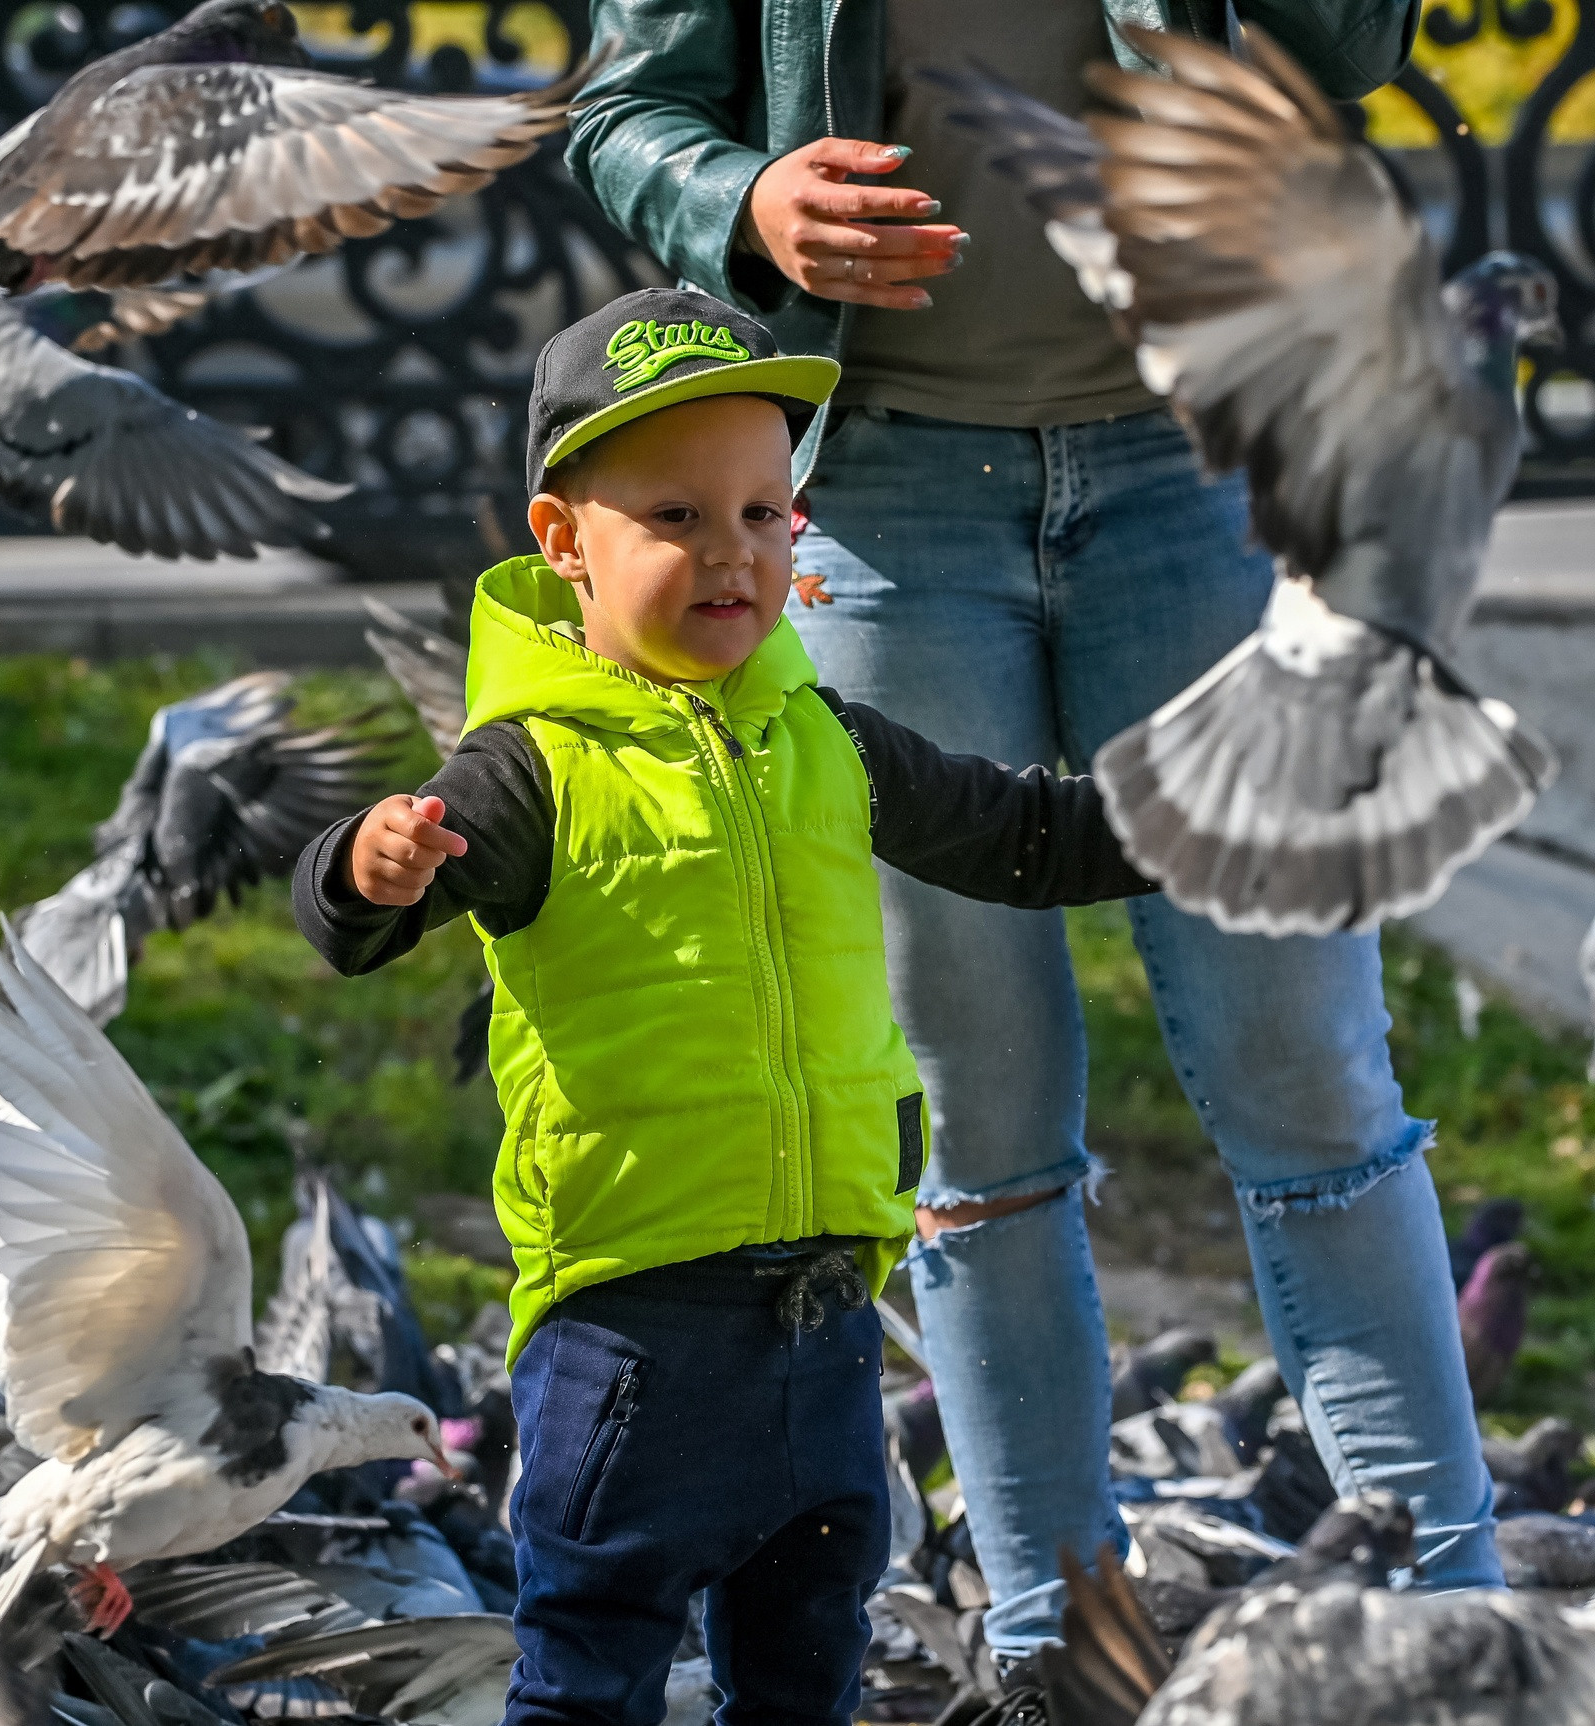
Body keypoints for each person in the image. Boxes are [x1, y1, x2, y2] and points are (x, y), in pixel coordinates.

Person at [561, 0, 1505, 1662]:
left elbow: (1348, 48)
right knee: (974, 1121)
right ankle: (1053, 1653)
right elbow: (625, 112)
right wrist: (748, 201)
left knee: (1311, 1070)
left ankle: (1453, 1626)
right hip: (883, 498)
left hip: (1196, 461)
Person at [290, 286, 1156, 1726]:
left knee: (809, 1670)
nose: (731, 554)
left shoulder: (823, 738)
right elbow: (350, 920)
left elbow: (1024, 835)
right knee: (591, 1679)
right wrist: (372, 863)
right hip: (633, 1338)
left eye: (764, 514)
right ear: (564, 543)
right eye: (678, 518)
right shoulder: (529, 767)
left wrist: (1205, 818)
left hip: (824, 1332)